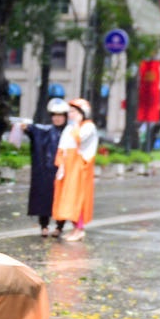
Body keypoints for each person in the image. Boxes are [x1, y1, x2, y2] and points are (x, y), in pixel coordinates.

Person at [51, 97, 97, 241]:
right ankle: (75, 228)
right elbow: (62, 147)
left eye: (73, 111)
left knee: (78, 198)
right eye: (70, 111)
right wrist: (60, 165)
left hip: (79, 167)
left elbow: (80, 140)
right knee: (67, 198)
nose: (70, 114)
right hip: (68, 166)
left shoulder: (88, 126)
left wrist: (76, 124)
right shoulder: (70, 127)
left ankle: (80, 229)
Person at [25, 98, 69, 237]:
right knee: (44, 198)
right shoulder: (46, 131)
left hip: (64, 171)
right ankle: (44, 226)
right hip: (46, 172)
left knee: (62, 198)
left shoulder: (70, 132)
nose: (57, 119)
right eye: (55, 116)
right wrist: (25, 127)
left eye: (60, 116)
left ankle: (59, 227)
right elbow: (35, 131)